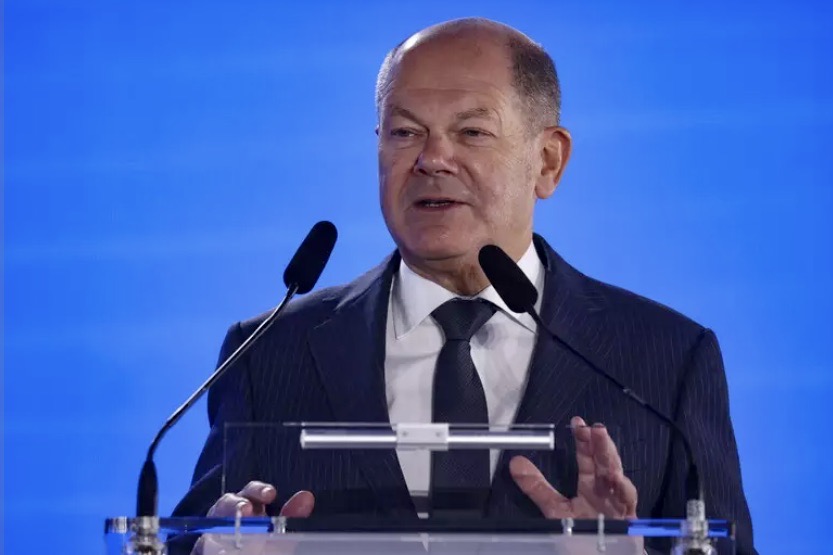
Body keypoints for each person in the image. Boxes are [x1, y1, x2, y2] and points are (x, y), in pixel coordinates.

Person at [173, 17, 756, 555]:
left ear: (548, 161)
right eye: (405, 132)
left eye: (472, 131)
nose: (432, 159)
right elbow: (195, 537)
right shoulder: (268, 353)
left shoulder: (665, 359)